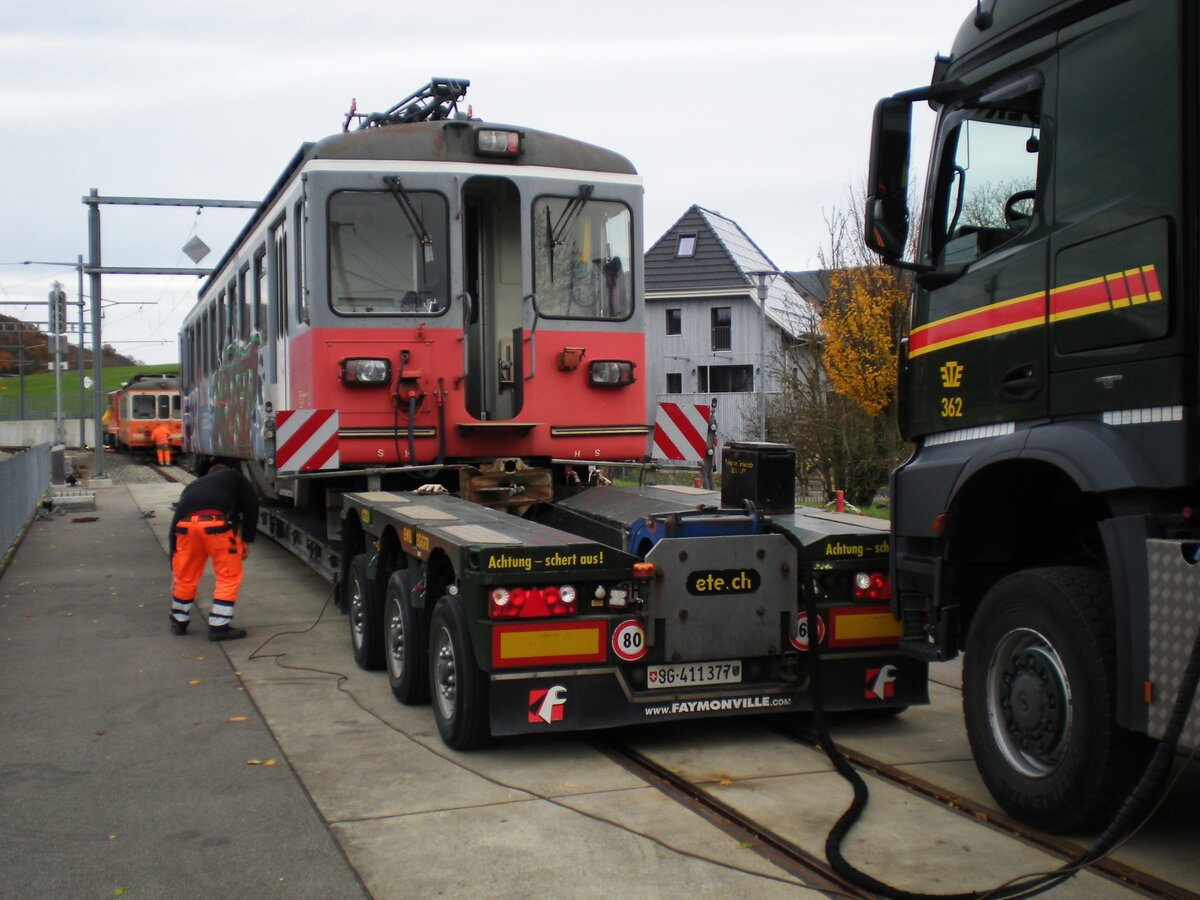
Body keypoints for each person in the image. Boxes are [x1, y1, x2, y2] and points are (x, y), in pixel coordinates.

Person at [168, 461, 259, 641]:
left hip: (186, 527)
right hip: (214, 525)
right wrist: (246, 539)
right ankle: (219, 626)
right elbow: (251, 505)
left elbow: (175, 521)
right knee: (228, 576)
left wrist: (174, 555)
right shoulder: (235, 477)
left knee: (185, 575)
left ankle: (178, 621)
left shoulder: (194, 486)